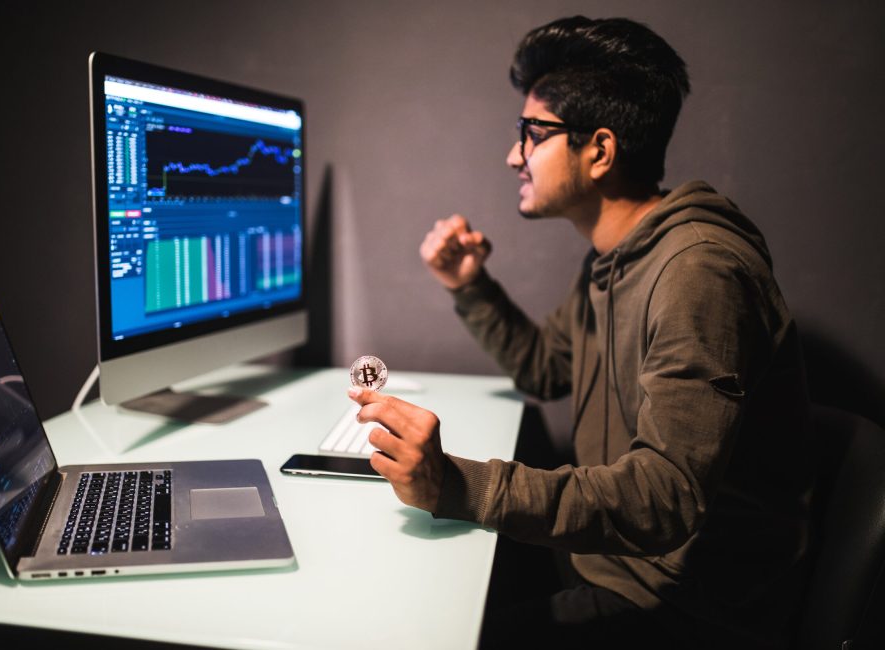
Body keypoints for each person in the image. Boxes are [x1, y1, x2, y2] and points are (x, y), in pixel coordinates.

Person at [346, 15, 814, 650]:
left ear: (599, 150)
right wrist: (469, 284)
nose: (514, 154)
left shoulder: (698, 272)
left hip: (680, 607)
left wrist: (455, 485)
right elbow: (547, 369)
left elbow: (665, 496)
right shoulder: (612, 255)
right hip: (603, 562)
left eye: (531, 134)